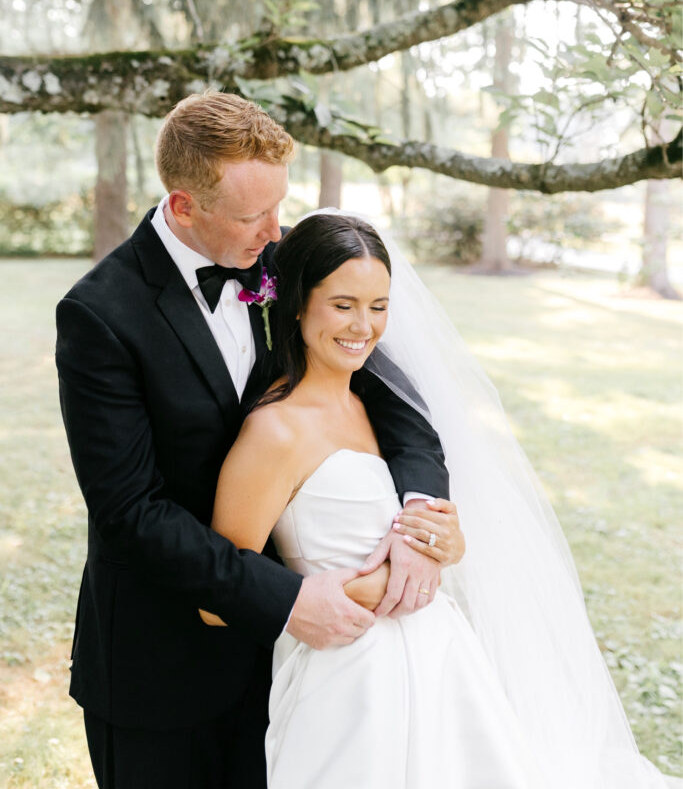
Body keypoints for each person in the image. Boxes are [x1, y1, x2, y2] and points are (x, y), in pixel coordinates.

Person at [55, 92, 463, 789]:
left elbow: (397, 407)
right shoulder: (100, 316)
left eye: (279, 206)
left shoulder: (282, 259)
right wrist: (286, 601)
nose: (275, 232)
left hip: (304, 674)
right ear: (183, 206)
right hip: (165, 665)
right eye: (253, 216)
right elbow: (130, 514)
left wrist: (419, 513)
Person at [203, 211, 669, 789]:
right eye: (343, 304)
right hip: (350, 686)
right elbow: (218, 598)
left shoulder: (372, 403)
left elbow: (410, 508)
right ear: (298, 304)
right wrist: (372, 587)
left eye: (379, 306)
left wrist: (445, 541)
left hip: (440, 661)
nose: (364, 326)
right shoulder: (274, 432)